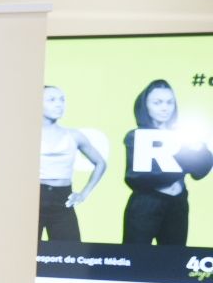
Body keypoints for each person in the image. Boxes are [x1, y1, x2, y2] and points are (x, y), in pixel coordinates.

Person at [121, 79, 211, 248]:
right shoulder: (136, 136)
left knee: (174, 262)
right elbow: (136, 178)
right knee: (135, 260)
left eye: (170, 102)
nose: (165, 108)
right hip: (145, 206)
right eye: (157, 102)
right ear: (145, 105)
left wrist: (200, 149)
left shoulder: (183, 134)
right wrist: (182, 165)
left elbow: (199, 172)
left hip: (178, 204)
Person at [39, 86, 105, 242]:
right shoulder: (25, 134)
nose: (59, 104)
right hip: (33, 198)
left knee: (70, 254)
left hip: (63, 199)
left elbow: (100, 163)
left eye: (62, 100)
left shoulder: (74, 135)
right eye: (52, 100)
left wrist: (84, 193)